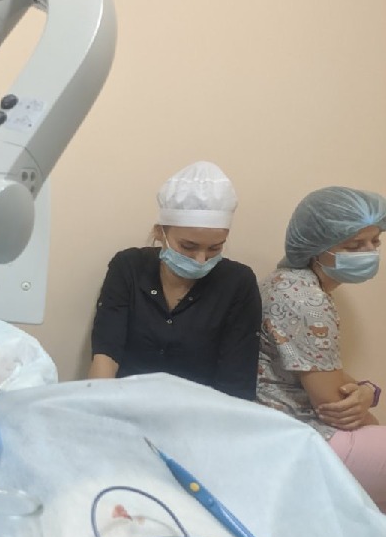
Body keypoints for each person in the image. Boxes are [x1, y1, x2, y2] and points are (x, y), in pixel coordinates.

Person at [256, 187, 386, 512]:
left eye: (375, 241)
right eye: (353, 246)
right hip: (297, 436)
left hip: (286, 430)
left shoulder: (288, 281)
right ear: (315, 247)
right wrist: (365, 401)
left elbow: (323, 367)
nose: (369, 253)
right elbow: (335, 408)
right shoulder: (306, 300)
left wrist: (366, 390)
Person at [88, 162, 260, 399]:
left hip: (201, 412)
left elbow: (236, 383)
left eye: (214, 248)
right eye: (188, 246)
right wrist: (96, 405)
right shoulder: (128, 267)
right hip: (126, 403)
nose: (201, 260)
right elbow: (106, 355)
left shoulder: (238, 284)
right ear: (160, 233)